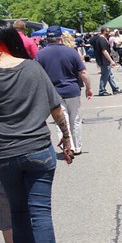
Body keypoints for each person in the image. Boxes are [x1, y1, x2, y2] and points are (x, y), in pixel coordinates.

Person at [0, 23, 74, 243]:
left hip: (4, 153)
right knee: (41, 212)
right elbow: (56, 108)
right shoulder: (32, 68)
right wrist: (67, 139)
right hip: (38, 149)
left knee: (19, 211)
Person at [35, 25, 92, 154]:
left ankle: (68, 146)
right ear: (60, 37)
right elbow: (83, 72)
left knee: (60, 120)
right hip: (72, 90)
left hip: (53, 92)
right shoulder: (71, 52)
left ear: (47, 38)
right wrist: (88, 88)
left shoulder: (40, 54)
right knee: (75, 119)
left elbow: (37, 75)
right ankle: (77, 147)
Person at [89, 27, 122, 95]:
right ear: (104, 31)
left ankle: (115, 89)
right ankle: (102, 90)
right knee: (104, 75)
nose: (109, 33)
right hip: (104, 60)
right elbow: (104, 51)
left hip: (104, 60)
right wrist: (111, 60)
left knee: (109, 75)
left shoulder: (102, 39)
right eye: (108, 31)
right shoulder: (102, 39)